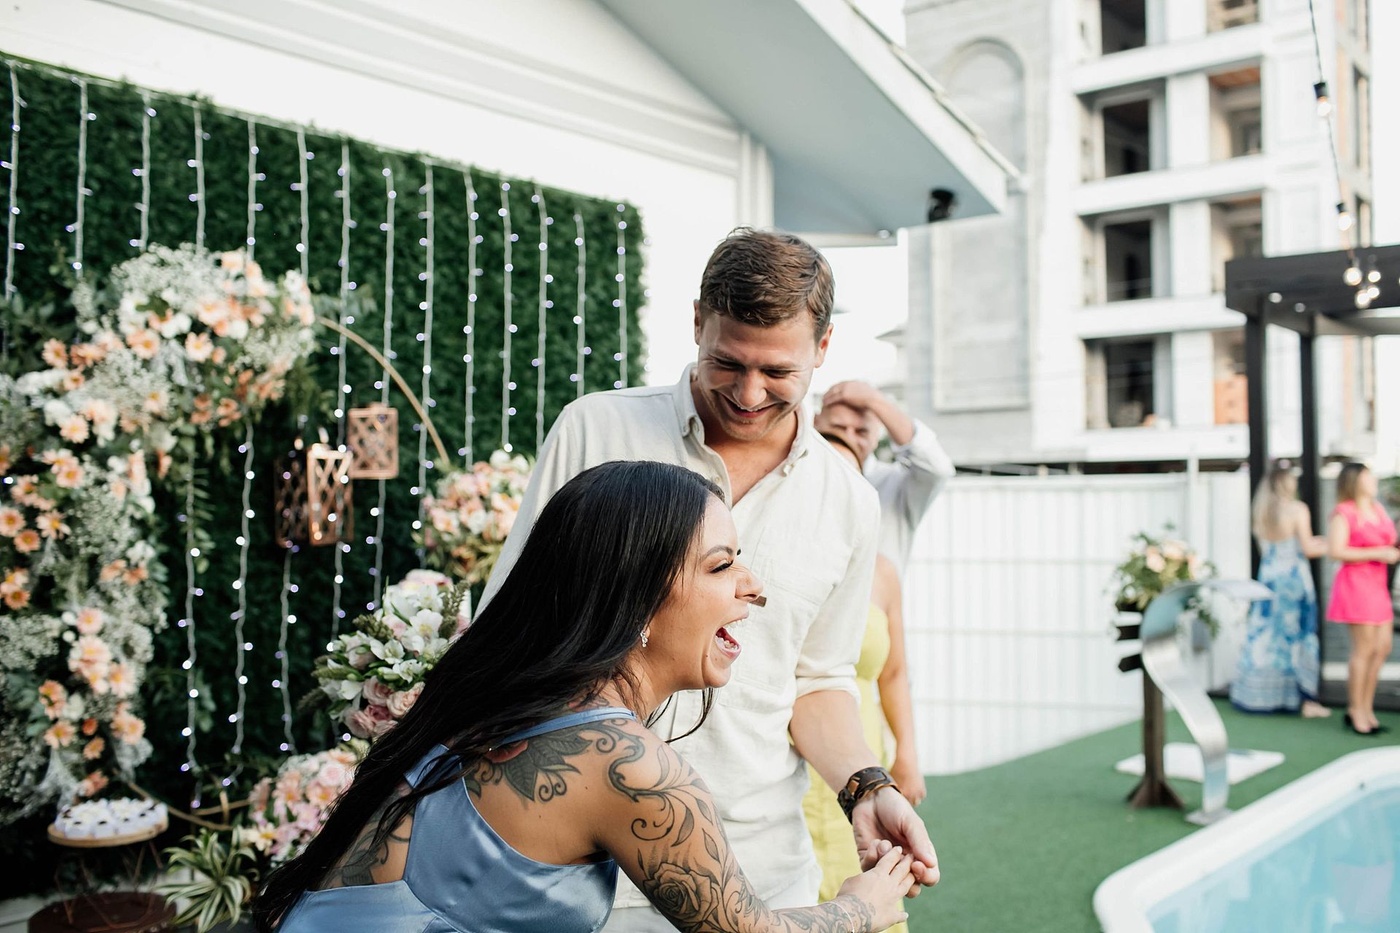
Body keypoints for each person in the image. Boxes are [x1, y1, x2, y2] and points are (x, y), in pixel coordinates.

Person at [480, 229, 940, 929]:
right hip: (577, 869)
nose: (749, 393)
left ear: (823, 348)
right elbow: (509, 630)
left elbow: (818, 679)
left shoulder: (849, 499)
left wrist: (866, 786)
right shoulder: (595, 430)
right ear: (697, 322)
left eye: (777, 372)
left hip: (762, 865)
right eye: (728, 362)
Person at [254, 461, 916, 933]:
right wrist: (864, 904)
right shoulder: (628, 766)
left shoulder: (500, 696)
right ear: (638, 600)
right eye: (721, 565)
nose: (755, 586)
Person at [802, 434, 923, 933]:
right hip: (794, 758)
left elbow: (894, 671)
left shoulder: (882, 572)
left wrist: (906, 756)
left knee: (872, 891)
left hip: (861, 752)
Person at [813, 380, 954, 572]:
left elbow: (938, 468)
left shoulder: (895, 486)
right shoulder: (793, 476)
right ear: (815, 423)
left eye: (861, 432)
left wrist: (875, 400)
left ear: (876, 434)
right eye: (838, 428)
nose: (849, 439)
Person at [1230, 462, 1330, 717]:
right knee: (1298, 635)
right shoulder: (1297, 509)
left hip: (1269, 579)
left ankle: (1259, 695)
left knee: (1266, 635)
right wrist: (1334, 544)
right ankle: (1305, 700)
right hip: (1294, 580)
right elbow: (1308, 548)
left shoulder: (1262, 511)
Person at [1325, 462, 1399, 736]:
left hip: (1378, 586)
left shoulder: (1378, 509)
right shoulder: (1344, 513)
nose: (1374, 481)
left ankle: (1367, 708)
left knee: (1382, 649)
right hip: (1356, 586)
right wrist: (1378, 553)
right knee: (1364, 650)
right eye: (1368, 477)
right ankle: (1355, 710)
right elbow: (1336, 551)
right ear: (1355, 481)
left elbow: (1390, 540)